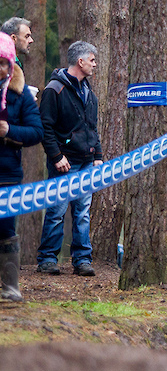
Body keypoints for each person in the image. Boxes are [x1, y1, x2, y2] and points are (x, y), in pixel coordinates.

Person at [36, 41, 103, 277]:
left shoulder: (90, 94)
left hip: (87, 162)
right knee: (56, 211)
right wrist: (56, 156)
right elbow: (45, 127)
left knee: (83, 212)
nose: (95, 64)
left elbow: (93, 128)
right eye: (92, 60)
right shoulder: (54, 90)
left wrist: (98, 156)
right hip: (64, 163)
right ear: (80, 61)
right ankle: (47, 259)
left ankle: (82, 260)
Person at [0, 33, 42, 302]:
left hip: (7, 174)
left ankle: (10, 287)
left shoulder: (21, 93)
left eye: (2, 62)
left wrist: (9, 131)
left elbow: (37, 131)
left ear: (10, 64)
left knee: (5, 229)